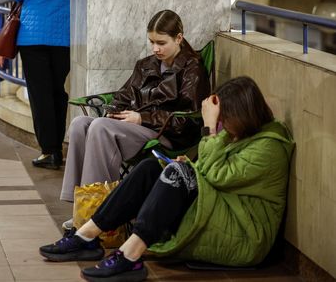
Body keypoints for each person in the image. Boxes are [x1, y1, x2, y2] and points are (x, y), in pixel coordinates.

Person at [39, 76, 295, 282]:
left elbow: (218, 176)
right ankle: (87, 235)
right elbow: (213, 170)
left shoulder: (269, 147)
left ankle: (130, 256)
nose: (222, 126)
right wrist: (191, 164)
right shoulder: (239, 134)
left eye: (225, 119)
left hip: (244, 231)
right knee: (151, 168)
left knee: (176, 174)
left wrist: (207, 130)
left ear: (243, 115)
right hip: (221, 208)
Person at [60, 10, 210, 214]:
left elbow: (189, 119)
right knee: (80, 124)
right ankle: (80, 208)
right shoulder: (146, 65)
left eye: (162, 43)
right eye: (152, 42)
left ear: (179, 38)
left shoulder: (192, 69)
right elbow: (123, 95)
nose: (155, 48)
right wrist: (113, 111)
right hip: (134, 127)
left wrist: (142, 118)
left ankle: (97, 213)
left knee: (100, 127)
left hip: (165, 134)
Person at [0, 0, 70, 170]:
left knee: (40, 95)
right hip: (64, 33)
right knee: (57, 92)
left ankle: (49, 151)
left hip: (34, 34)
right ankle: (57, 148)